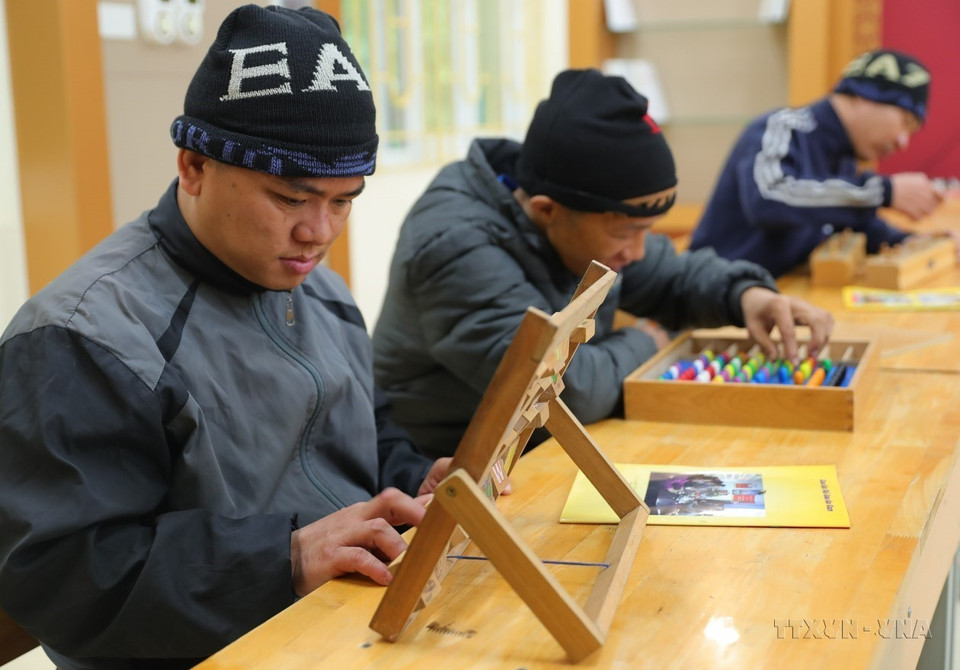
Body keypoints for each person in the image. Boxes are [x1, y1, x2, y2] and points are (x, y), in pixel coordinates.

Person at [0, 6, 450, 669]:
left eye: (343, 201)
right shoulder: (83, 335)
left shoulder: (321, 291)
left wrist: (417, 483)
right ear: (193, 167)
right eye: (290, 198)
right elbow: (65, 576)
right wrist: (287, 557)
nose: (319, 233)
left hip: (341, 624)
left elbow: (365, 435)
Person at [372, 68, 834, 460]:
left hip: (535, 452)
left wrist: (746, 295)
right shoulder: (454, 247)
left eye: (646, 230)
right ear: (547, 210)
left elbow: (671, 276)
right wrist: (645, 341)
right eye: (625, 232)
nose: (637, 251)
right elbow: (563, 391)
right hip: (440, 478)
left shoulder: (577, 217)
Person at [688, 48, 944, 277]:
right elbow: (768, 198)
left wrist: (917, 241)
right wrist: (883, 191)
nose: (902, 142)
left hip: (775, 294)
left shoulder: (845, 156)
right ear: (864, 95)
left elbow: (854, 224)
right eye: (905, 122)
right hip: (712, 298)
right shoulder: (781, 127)